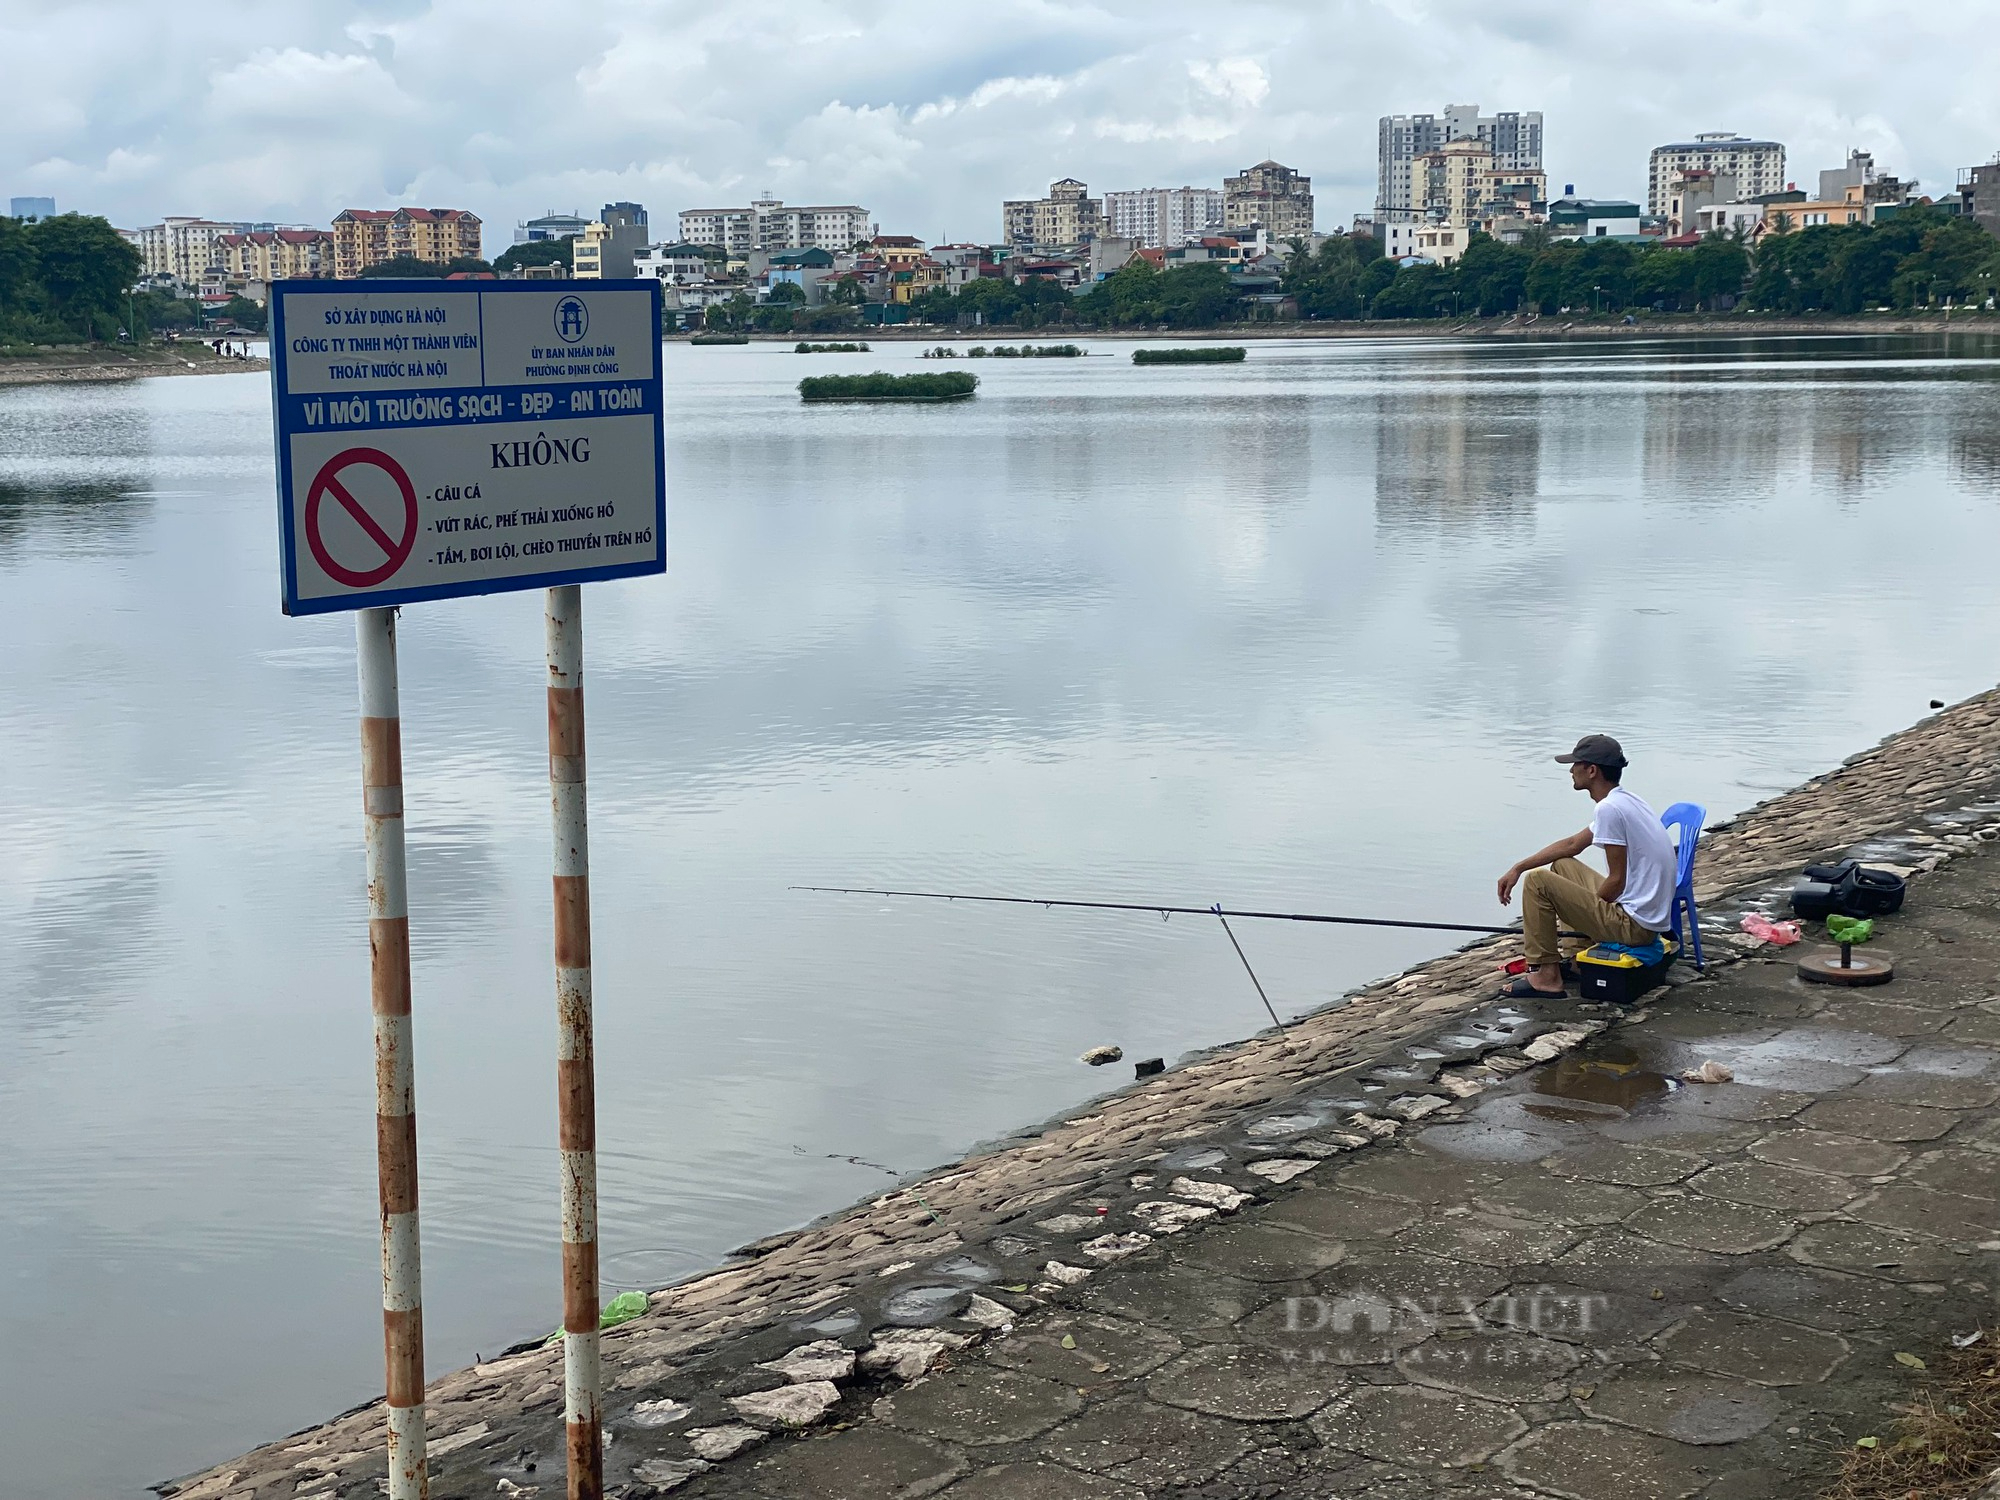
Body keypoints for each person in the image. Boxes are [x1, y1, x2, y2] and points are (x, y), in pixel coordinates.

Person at [1496, 734, 1677, 997]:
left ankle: (1546, 978)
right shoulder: (1624, 800)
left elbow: (1617, 881)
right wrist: (1518, 867)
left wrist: (1586, 907)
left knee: (1538, 882)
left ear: (1592, 770)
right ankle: (1577, 961)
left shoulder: (1609, 810)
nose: (1571, 770)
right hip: (1644, 916)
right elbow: (1572, 845)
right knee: (1562, 865)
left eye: (1575, 764)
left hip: (1635, 926)